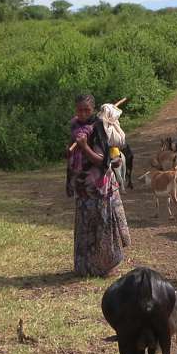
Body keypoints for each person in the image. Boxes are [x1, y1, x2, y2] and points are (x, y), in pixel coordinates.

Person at [66, 93, 130, 277]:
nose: (84, 113)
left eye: (87, 110)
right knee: (85, 228)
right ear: (75, 110)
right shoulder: (75, 126)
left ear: (93, 109)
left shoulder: (99, 127)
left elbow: (102, 162)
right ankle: (84, 267)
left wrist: (85, 147)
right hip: (82, 188)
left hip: (100, 189)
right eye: (80, 110)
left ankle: (106, 267)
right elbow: (70, 152)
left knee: (103, 229)